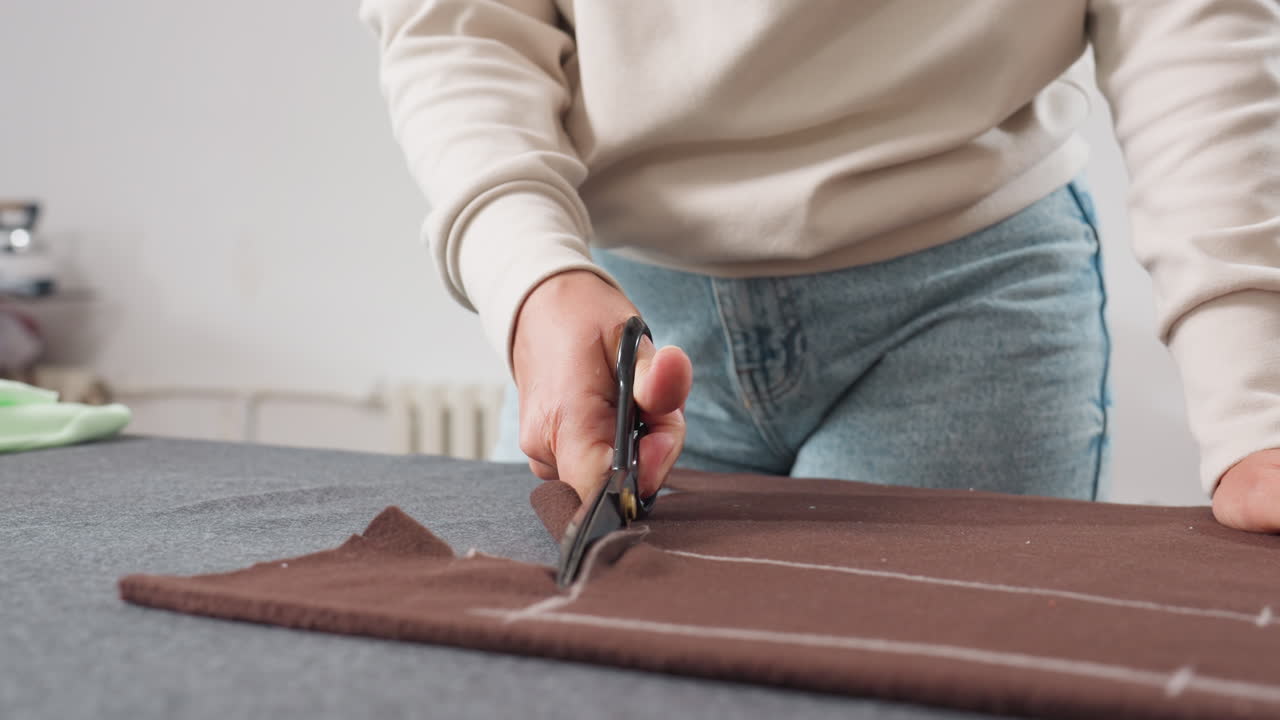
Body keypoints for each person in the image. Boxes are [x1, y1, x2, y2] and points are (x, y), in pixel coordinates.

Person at [359, 1, 1280, 532]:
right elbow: (461, 21)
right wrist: (533, 281)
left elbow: (1186, 23)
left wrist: (1255, 405)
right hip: (621, 327)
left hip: (966, 307)